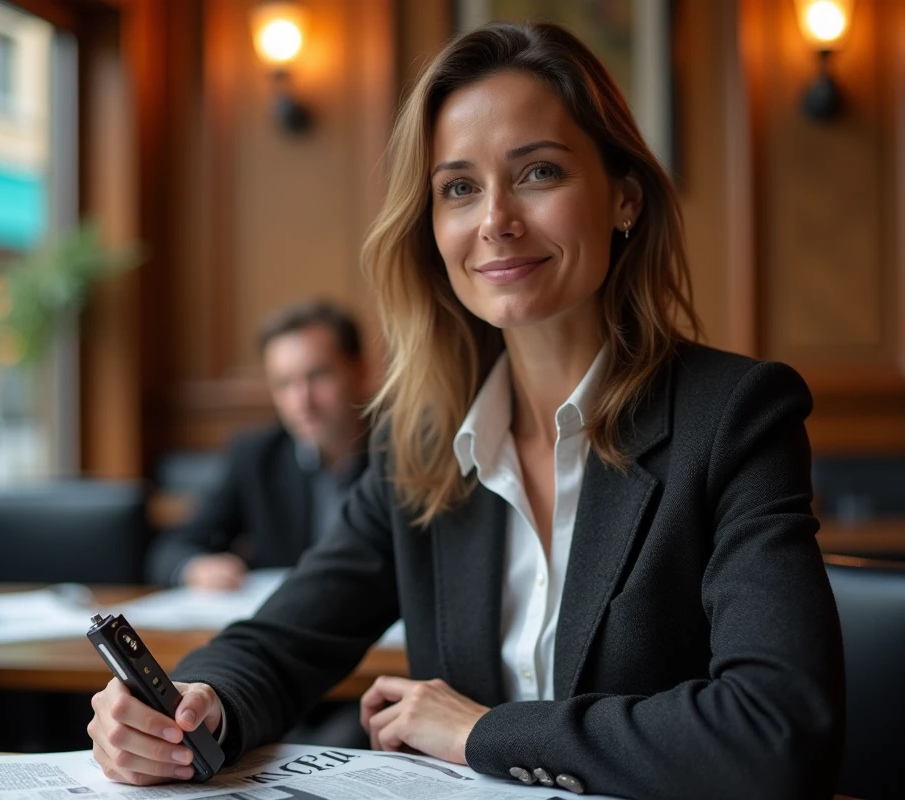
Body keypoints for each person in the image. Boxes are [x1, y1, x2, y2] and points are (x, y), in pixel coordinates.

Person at [88, 21, 844, 800]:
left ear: (624, 197)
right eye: (458, 188)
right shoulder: (421, 446)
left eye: (539, 172)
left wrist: (481, 731)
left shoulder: (735, 418)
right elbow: (282, 640)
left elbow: (778, 729)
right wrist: (191, 705)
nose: (494, 221)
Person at [145, 300, 371, 590]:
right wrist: (196, 568)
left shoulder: (406, 454)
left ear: (360, 372)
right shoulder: (257, 455)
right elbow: (170, 550)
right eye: (285, 383)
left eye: (318, 376)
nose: (302, 401)